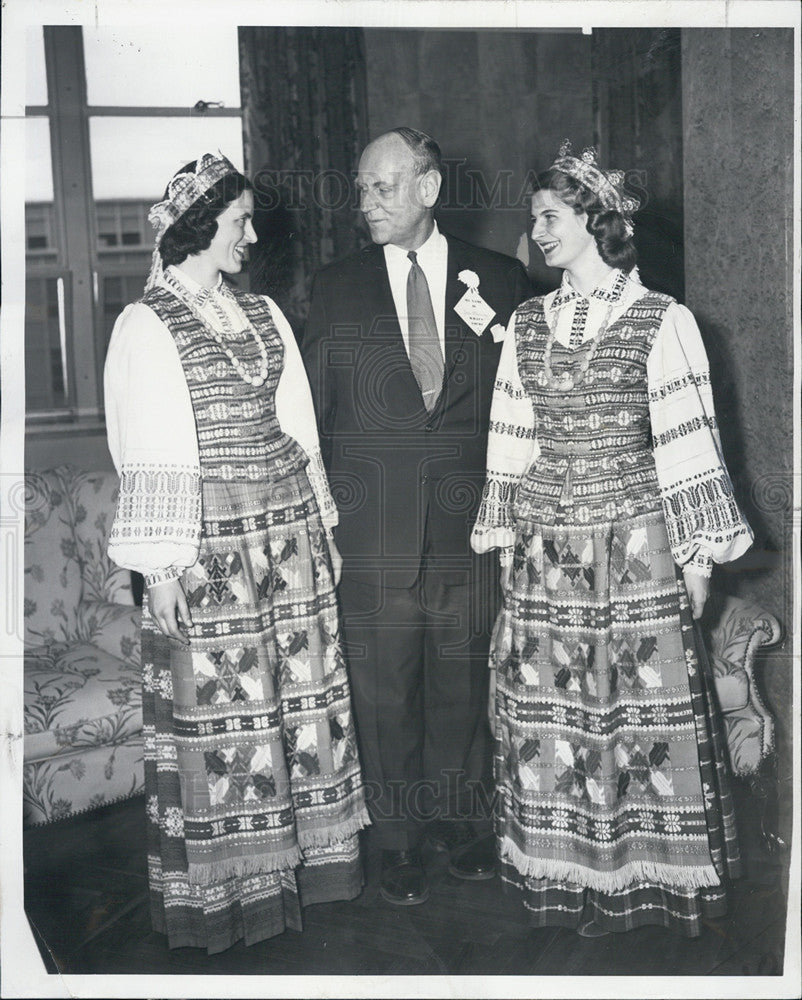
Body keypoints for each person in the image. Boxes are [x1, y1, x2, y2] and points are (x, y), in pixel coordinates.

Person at [471, 141, 754, 938]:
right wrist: (507, 548)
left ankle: (647, 886)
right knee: (554, 720)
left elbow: (688, 443)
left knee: (637, 714)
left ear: (596, 223)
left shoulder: (662, 320)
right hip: (544, 555)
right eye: (534, 219)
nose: (537, 233)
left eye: (550, 218)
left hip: (636, 551)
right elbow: (511, 443)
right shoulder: (527, 323)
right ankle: (570, 881)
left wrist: (697, 558)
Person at [104, 153, 369, 954]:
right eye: (237, 223)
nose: (251, 237)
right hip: (207, 544)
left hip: (285, 535)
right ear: (197, 227)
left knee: (300, 706)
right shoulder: (147, 323)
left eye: (249, 221)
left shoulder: (262, 315)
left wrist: (321, 527)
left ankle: (307, 871)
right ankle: (231, 897)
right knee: (224, 713)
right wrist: (161, 567)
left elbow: (300, 429)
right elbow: (145, 449)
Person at [302, 127, 532, 905]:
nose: (365, 203)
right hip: (372, 541)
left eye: (382, 187)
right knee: (385, 692)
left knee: (462, 686)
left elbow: (523, 412)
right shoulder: (333, 288)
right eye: (362, 188)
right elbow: (315, 424)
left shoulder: (501, 280)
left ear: (428, 189)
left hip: (471, 535)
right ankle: (396, 842)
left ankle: (461, 826)